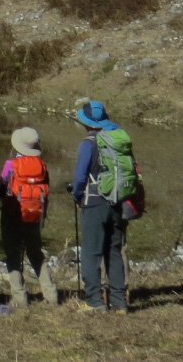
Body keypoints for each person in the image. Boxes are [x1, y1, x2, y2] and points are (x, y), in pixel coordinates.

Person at [71, 99, 135, 312]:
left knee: (91, 253)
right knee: (114, 250)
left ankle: (95, 301)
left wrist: (77, 195)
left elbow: (81, 177)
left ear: (86, 122)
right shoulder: (119, 140)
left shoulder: (88, 143)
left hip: (94, 202)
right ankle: (119, 301)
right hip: (118, 201)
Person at [0, 126, 59, 306]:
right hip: (34, 216)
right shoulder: (42, 166)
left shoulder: (10, 165)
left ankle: (19, 298)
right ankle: (51, 295)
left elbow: (1, 189)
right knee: (36, 255)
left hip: (12, 214)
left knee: (13, 255)